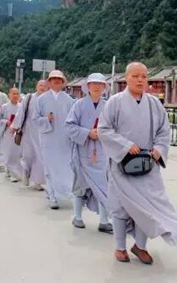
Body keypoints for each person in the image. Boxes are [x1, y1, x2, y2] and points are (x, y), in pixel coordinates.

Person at [98, 62, 177, 264]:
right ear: (126, 78)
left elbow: (163, 131)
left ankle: (140, 246)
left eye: (144, 76)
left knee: (146, 208)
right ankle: (120, 248)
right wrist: (126, 144)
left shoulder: (154, 103)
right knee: (121, 208)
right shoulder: (115, 102)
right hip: (122, 165)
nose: (140, 80)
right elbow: (104, 130)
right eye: (135, 76)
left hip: (147, 166)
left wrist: (159, 149)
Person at [65, 73, 113, 234]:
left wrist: (102, 134)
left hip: (102, 154)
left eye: (100, 84)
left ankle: (104, 221)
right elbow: (69, 126)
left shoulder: (108, 106)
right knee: (80, 185)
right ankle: (77, 216)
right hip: (82, 152)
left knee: (104, 187)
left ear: (104, 87)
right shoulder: (78, 105)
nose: (97, 87)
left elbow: (115, 128)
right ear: (88, 87)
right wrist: (87, 133)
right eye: (93, 84)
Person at [32, 70, 75, 209]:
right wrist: (47, 120)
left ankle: (66, 192)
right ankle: (52, 196)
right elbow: (35, 119)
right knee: (49, 168)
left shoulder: (69, 100)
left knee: (65, 167)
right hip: (48, 138)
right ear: (49, 82)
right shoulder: (41, 99)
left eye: (59, 79)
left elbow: (74, 120)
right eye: (53, 79)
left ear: (63, 82)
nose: (56, 81)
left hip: (64, 140)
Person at [11, 80, 48, 191]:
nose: (42, 87)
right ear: (36, 86)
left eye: (45, 86)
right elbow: (21, 112)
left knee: (40, 158)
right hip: (28, 131)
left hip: (42, 132)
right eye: (40, 85)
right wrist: (16, 126)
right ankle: (26, 172)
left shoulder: (48, 100)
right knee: (28, 155)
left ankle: (37, 182)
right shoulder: (29, 97)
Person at [0, 87, 23, 182]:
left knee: (17, 154)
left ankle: (14, 173)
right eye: (13, 93)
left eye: (17, 94)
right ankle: (9, 169)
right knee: (9, 153)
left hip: (18, 133)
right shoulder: (4, 107)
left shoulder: (21, 107)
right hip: (8, 132)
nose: (15, 96)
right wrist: (6, 122)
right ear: (9, 94)